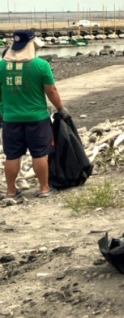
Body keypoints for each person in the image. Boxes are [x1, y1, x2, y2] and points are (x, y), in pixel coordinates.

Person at [1, 30, 69, 199]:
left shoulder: (2, 66)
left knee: (12, 155)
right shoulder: (41, 65)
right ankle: (44, 188)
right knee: (39, 153)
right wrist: (61, 109)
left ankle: (10, 191)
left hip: (10, 119)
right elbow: (51, 91)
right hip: (37, 118)